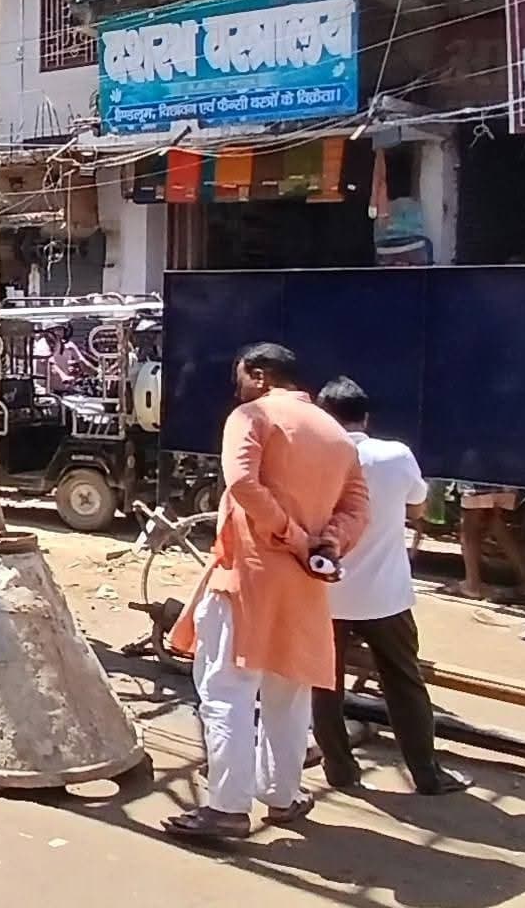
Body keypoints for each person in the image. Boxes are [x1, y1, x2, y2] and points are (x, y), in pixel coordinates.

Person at [162, 343, 369, 842]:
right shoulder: (335, 434)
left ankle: (228, 807)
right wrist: (324, 543)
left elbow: (243, 485)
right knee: (287, 692)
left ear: (258, 375)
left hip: (248, 578)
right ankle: (282, 794)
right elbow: (359, 509)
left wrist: (292, 537)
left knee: (225, 694)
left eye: (241, 378)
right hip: (305, 586)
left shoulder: (251, 415)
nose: (237, 388)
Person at [308, 377, 469, 796]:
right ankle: (427, 774)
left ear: (324, 415)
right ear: (366, 416)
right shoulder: (396, 455)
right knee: (404, 682)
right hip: (386, 595)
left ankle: (340, 772)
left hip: (325, 593)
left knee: (325, 684)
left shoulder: (311, 459)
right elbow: (418, 505)